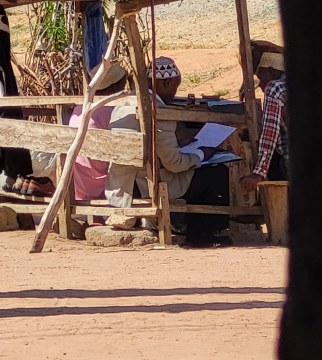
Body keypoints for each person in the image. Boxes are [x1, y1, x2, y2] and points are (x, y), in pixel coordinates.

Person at [104, 57, 230, 246]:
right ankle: (202, 234)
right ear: (167, 82)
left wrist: (177, 142)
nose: (173, 93)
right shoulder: (158, 109)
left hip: (124, 185)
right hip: (149, 184)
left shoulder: (123, 104)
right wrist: (202, 153)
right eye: (174, 87)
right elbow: (174, 163)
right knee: (216, 172)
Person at [67, 63, 128, 201]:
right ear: (114, 88)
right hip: (103, 187)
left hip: (78, 183)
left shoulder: (79, 109)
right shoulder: (113, 111)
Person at [240, 52, 288, 194]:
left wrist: (258, 172)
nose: (260, 84)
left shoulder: (275, 87)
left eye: (261, 78)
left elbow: (270, 132)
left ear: (272, 71)